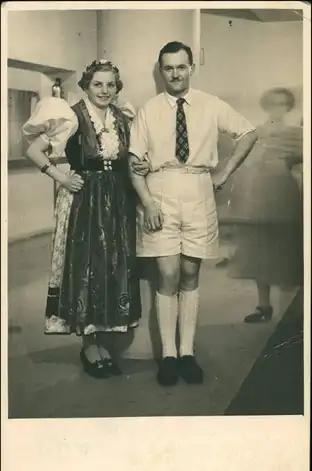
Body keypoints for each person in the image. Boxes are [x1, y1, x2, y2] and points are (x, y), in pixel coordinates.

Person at [128, 41, 258, 386]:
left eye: (181, 67)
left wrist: (225, 172)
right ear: (161, 71)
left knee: (189, 272)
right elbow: (133, 164)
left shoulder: (210, 104)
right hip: (160, 190)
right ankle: (168, 356)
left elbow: (249, 132)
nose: (175, 73)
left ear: (191, 68)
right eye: (168, 68)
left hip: (199, 188)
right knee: (167, 273)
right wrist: (148, 203)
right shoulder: (149, 109)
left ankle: (188, 353)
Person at [22, 60, 141, 378]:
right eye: (98, 84)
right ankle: (89, 346)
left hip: (117, 200)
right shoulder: (70, 116)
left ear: (117, 88)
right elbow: (33, 150)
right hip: (84, 201)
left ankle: (102, 341)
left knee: (110, 268)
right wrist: (61, 177)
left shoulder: (121, 116)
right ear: (86, 85)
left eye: (110, 85)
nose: (104, 90)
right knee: (86, 266)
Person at [227, 87, 303, 323]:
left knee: (287, 250)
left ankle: (292, 313)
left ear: (288, 107)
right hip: (260, 193)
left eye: (282, 104)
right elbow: (244, 162)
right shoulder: (255, 132)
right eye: (272, 103)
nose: (277, 108)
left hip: (284, 193)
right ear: (265, 105)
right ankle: (263, 305)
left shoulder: (296, 134)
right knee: (260, 251)